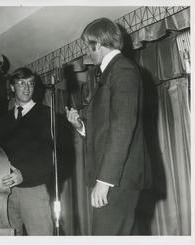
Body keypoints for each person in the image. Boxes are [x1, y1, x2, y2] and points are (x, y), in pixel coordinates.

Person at [65, 17, 151, 235]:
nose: (88, 53)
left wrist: (105, 181)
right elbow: (109, 127)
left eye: (88, 46)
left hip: (117, 178)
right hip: (119, 176)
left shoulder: (121, 69)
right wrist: (81, 126)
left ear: (97, 44)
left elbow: (123, 126)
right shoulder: (114, 71)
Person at [0, 67, 54, 235]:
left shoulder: (47, 115)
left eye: (30, 83)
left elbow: (54, 158)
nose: (26, 88)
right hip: (3, 193)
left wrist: (24, 174)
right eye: (21, 83)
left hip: (33, 190)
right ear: (12, 87)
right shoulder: (2, 120)